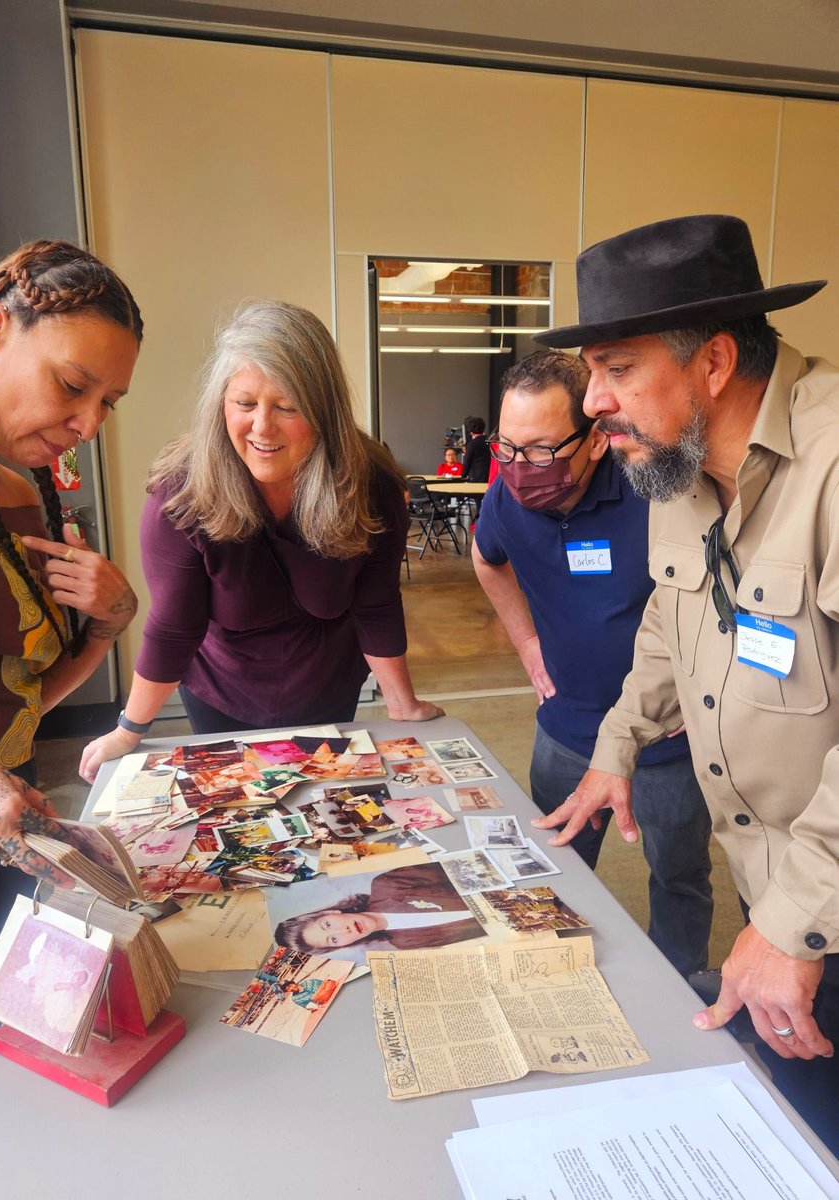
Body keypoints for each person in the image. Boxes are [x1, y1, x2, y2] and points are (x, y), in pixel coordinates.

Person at [533, 213, 839, 1152]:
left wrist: (792, 923)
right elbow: (672, 623)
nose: (591, 402)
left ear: (711, 362)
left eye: (616, 368)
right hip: (776, 883)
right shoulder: (679, 469)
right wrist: (616, 748)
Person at [0, 240, 142, 1177]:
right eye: (73, 387)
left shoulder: (16, 489)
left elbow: (11, 698)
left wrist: (105, 632)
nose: (88, 424)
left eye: (106, 404)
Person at [80, 300, 441, 783]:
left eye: (288, 407)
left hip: (329, 688)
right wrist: (129, 730)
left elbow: (375, 604)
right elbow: (173, 627)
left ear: (325, 412)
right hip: (222, 694)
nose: (262, 427)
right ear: (221, 403)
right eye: (245, 404)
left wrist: (402, 704)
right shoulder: (181, 492)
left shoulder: (369, 483)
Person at [472, 350, 712, 978]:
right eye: (508, 448)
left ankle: (682, 985)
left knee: (680, 875)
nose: (522, 469)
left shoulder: (657, 495)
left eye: (544, 450)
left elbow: (717, 596)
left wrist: (698, 687)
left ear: (598, 439)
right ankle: (549, 980)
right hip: (568, 730)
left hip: (667, 740)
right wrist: (526, 643)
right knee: (555, 865)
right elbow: (484, 558)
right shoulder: (506, 494)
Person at [273, 862, 484, 956]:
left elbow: (464, 867)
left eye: (327, 925)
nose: (342, 931)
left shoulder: (387, 885)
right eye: (333, 940)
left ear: (331, 913)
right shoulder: (404, 942)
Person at [461, 415, 490, 482]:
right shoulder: (488, 441)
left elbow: (468, 461)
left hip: (476, 476)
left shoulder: (472, 444)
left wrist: (463, 475)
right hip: (489, 475)